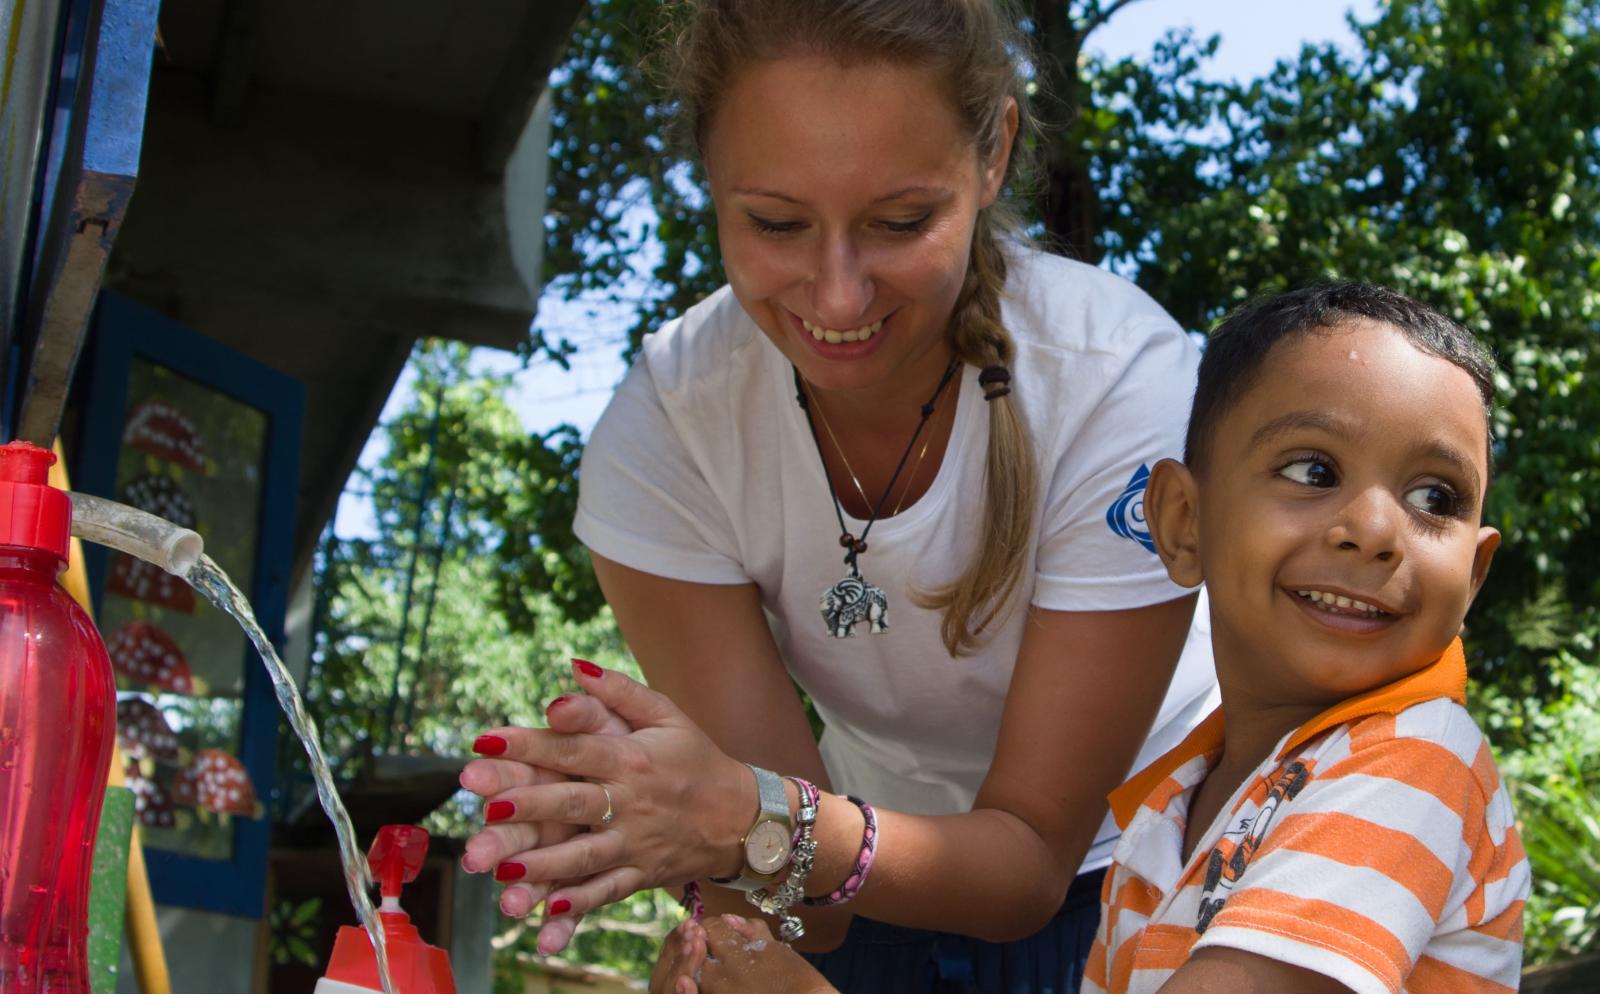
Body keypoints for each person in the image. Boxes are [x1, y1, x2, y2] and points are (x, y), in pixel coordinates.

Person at [457, 0, 1218, 989]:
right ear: (708, 178)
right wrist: (674, 842)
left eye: (900, 222)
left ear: (994, 155)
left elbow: (1029, 860)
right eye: (775, 222)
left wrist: (739, 820)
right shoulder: (670, 433)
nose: (838, 296)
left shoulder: (1118, 388)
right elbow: (796, 901)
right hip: (873, 864)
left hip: (1155, 875)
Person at [650, 284, 1533, 994]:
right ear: (1181, 521)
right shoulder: (1171, 799)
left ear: (1476, 573)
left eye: (1436, 500)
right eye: (1314, 471)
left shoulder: (1411, 767)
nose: (1377, 529)